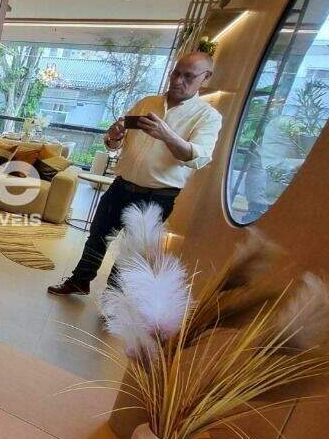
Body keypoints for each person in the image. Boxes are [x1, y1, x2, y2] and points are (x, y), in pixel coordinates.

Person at [48, 52, 223, 296]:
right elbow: (116, 145)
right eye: (175, 73)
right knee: (97, 235)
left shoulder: (207, 116)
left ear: (206, 78)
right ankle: (80, 281)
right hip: (121, 186)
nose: (178, 80)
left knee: (131, 251)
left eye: (188, 76)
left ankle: (113, 301)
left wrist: (167, 134)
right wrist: (114, 137)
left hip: (157, 196)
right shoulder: (147, 102)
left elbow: (198, 158)